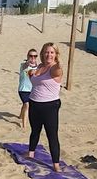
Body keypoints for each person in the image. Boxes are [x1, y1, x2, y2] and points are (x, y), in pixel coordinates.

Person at [27, 42, 63, 172]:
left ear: (56, 55)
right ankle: (31, 153)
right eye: (47, 52)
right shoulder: (40, 66)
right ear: (43, 53)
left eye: (52, 52)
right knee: (35, 130)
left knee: (52, 135)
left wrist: (59, 64)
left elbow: (58, 70)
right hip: (34, 103)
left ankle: (56, 164)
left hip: (50, 106)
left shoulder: (54, 68)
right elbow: (33, 76)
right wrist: (31, 73)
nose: (49, 55)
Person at [18, 48, 38, 129]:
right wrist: (29, 63)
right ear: (28, 56)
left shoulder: (38, 66)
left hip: (32, 90)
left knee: (25, 105)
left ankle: (20, 115)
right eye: (31, 56)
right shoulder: (23, 65)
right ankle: (24, 126)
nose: (33, 58)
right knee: (27, 105)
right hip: (23, 90)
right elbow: (27, 66)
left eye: (35, 56)